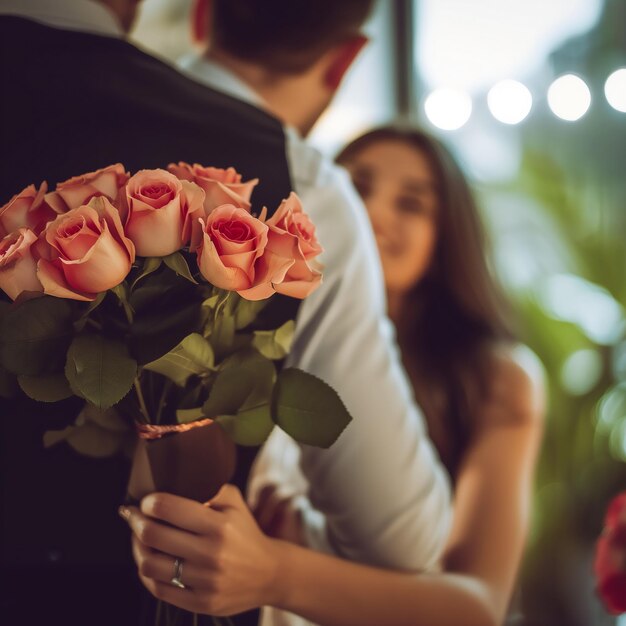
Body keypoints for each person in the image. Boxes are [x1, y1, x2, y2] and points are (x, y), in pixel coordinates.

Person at [0, 1, 452, 625]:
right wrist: (277, 558)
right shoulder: (301, 182)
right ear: (346, 59)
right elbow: (403, 542)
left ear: (203, 16)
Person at [122, 127, 545, 626]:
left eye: (411, 204)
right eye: (356, 189)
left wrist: (277, 573)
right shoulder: (255, 335)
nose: (374, 213)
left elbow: (476, 609)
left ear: (446, 238)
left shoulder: (499, 378)